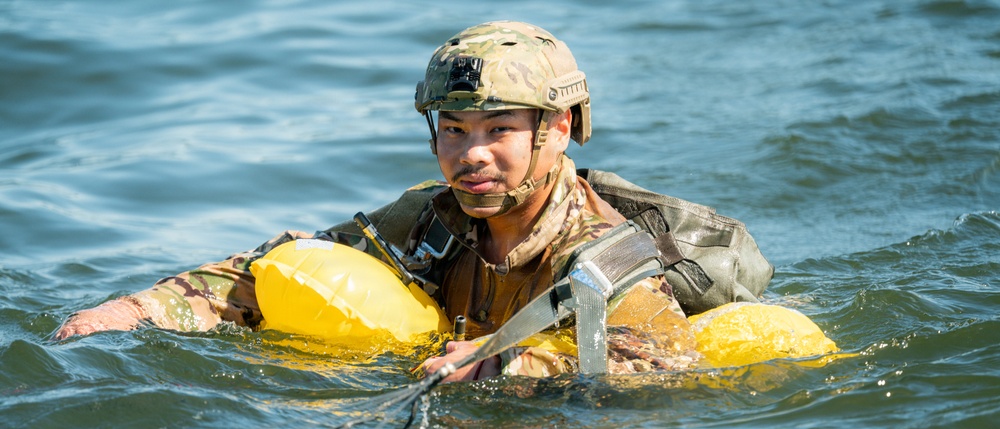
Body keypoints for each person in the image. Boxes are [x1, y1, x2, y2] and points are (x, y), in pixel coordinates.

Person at [55, 21, 702, 381]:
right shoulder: (434, 218)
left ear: (557, 130)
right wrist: (135, 309)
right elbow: (273, 268)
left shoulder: (603, 253)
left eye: (498, 130)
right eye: (453, 129)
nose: (470, 154)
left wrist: (510, 365)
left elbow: (665, 364)